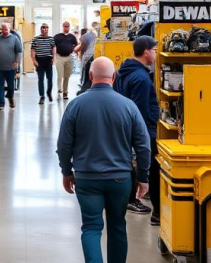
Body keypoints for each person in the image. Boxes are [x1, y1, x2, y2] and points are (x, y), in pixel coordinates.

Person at [57, 57, 152, 263]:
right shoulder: (129, 106)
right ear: (114, 77)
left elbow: (63, 145)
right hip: (120, 179)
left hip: (86, 178)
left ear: (90, 76)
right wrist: (143, 177)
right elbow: (143, 146)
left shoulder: (75, 106)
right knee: (117, 226)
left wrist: (66, 172)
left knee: (91, 227)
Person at [114, 35, 160, 223]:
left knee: (130, 162)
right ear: (146, 52)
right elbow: (139, 111)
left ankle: (131, 198)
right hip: (143, 129)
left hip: (125, 125)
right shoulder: (141, 78)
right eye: (155, 50)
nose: (156, 54)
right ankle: (157, 212)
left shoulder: (122, 71)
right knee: (153, 166)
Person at [0, 22, 23, 110]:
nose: (4, 31)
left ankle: (10, 97)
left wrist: (17, 63)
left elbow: (19, 52)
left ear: (9, 28)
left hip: (11, 67)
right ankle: (1, 104)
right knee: (0, 85)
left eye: (6, 29)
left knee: (11, 86)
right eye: (3, 29)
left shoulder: (14, 39)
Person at [54, 22, 79, 99]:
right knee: (60, 75)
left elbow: (76, 45)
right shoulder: (57, 37)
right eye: (65, 26)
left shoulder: (72, 37)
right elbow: (53, 46)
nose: (66, 28)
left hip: (69, 57)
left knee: (67, 76)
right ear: (62, 27)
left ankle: (65, 92)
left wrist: (76, 54)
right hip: (59, 57)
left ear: (69, 27)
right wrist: (53, 57)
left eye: (67, 26)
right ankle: (59, 89)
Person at [31, 23, 55, 104]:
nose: (43, 29)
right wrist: (34, 61)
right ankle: (42, 96)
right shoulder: (35, 39)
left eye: (45, 28)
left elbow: (53, 48)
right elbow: (33, 50)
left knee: (50, 79)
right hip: (39, 61)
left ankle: (49, 92)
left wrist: (53, 58)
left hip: (48, 61)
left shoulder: (51, 39)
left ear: (48, 29)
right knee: (40, 79)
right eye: (42, 28)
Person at [76, 22, 100, 95]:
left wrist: (78, 52)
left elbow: (80, 47)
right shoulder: (94, 35)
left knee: (86, 74)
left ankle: (85, 88)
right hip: (92, 56)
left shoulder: (88, 36)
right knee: (88, 73)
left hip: (88, 57)